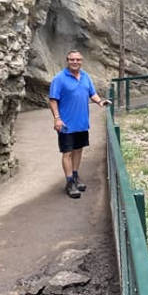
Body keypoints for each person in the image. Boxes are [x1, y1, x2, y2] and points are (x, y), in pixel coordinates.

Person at [48, 50, 111, 198]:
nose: (75, 62)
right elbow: (53, 100)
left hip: (81, 123)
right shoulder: (59, 79)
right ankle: (69, 182)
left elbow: (92, 93)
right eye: (72, 60)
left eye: (77, 60)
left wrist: (100, 101)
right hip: (66, 124)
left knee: (78, 150)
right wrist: (57, 118)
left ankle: (75, 176)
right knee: (67, 153)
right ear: (67, 61)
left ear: (81, 61)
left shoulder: (85, 76)